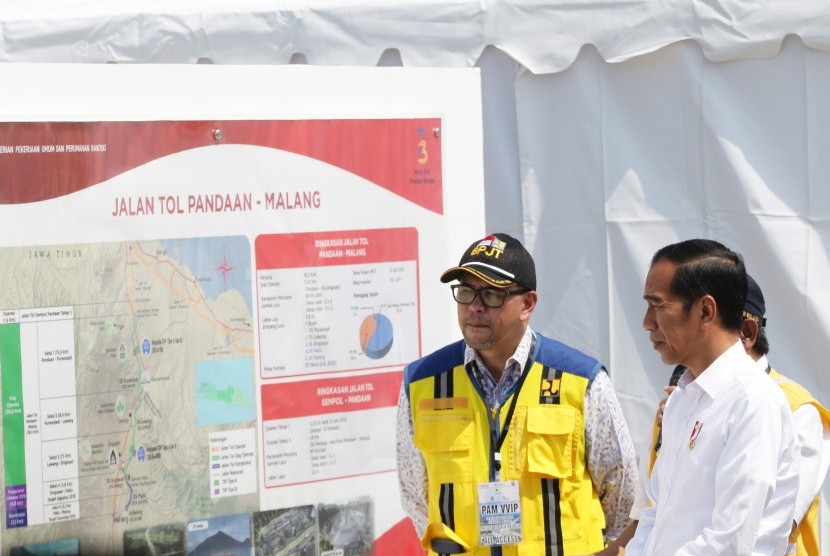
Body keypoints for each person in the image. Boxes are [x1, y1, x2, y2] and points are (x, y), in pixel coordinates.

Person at [396, 232, 638, 555]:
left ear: (528, 304)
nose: (475, 307)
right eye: (466, 292)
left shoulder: (582, 381)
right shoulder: (422, 383)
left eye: (492, 294)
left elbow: (621, 495)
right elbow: (416, 497)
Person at [626, 239, 799, 555]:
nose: (647, 322)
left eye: (658, 305)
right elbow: (656, 514)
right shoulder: (682, 400)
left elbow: (731, 540)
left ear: (705, 310)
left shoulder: (753, 400)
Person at [741, 273, 830, 556]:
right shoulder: (682, 402)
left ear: (747, 333)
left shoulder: (798, 409)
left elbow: (777, 526)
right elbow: (652, 510)